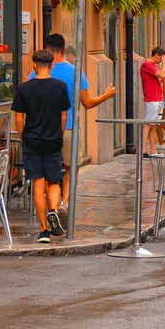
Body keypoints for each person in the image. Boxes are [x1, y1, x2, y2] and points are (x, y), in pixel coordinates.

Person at [35, 34, 115, 213]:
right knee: (71, 168)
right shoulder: (75, 72)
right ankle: (64, 202)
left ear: (45, 50)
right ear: (64, 50)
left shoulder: (37, 72)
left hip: (42, 129)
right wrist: (106, 95)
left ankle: (51, 206)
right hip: (69, 128)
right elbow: (87, 103)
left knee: (47, 169)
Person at [12, 49, 71, 244]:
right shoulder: (60, 86)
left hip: (32, 140)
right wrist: (59, 133)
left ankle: (44, 230)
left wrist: (23, 136)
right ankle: (53, 209)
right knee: (54, 181)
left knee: (38, 183)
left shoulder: (24, 89)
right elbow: (64, 115)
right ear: (52, 65)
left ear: (34, 65)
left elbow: (19, 118)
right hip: (53, 139)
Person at [139, 47, 165, 154]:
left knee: (153, 125)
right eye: (160, 59)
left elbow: (161, 77)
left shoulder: (154, 66)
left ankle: (153, 150)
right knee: (148, 124)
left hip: (157, 98)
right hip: (152, 99)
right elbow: (161, 75)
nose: (161, 61)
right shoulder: (147, 64)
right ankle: (143, 150)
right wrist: (164, 63)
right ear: (156, 55)